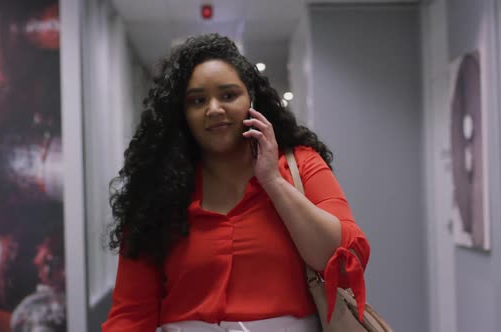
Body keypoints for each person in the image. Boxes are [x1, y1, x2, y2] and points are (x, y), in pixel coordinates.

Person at [102, 33, 370, 332]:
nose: (214, 109)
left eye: (229, 95)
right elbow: (131, 314)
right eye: (197, 100)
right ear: (182, 114)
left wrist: (272, 181)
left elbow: (341, 260)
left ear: (252, 101)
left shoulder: (301, 164)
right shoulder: (156, 192)